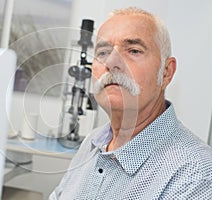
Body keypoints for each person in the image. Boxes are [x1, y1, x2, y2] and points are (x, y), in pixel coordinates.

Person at [50, 7, 212, 199]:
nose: (111, 62)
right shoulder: (92, 143)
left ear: (166, 72)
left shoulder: (195, 176)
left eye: (134, 50)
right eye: (102, 52)